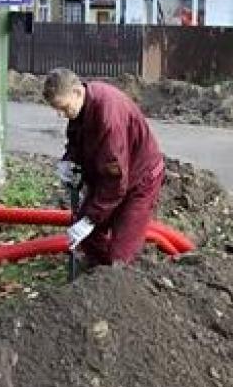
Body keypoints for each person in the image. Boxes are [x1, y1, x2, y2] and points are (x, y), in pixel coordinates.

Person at [43, 68, 165, 268]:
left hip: (140, 182)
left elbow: (115, 183)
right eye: (57, 109)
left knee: (120, 256)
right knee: (86, 236)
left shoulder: (108, 120)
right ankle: (100, 276)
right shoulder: (81, 108)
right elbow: (76, 138)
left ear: (77, 91)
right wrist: (69, 160)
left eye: (64, 108)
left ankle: (118, 282)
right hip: (111, 180)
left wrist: (91, 219)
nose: (61, 115)